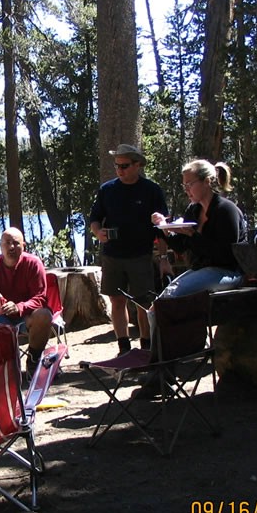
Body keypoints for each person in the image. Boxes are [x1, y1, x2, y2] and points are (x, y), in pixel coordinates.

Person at [89, 143, 169, 355]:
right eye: (117, 166)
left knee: (143, 302)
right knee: (116, 301)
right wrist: (99, 233)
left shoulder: (151, 190)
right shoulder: (107, 190)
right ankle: (123, 347)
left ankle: (146, 346)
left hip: (141, 255)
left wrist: (163, 258)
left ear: (137, 165)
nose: (119, 170)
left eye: (124, 166)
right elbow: (94, 219)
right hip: (113, 255)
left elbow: (162, 228)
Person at [151, 159, 247, 298]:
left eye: (190, 184)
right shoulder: (193, 210)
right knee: (164, 297)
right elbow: (180, 246)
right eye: (184, 185)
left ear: (207, 181)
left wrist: (193, 235)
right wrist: (163, 228)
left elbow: (226, 255)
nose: (187, 190)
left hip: (229, 272)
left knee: (173, 295)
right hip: (202, 270)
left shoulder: (226, 210)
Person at [0, 227, 53, 377]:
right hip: (0, 318)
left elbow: (40, 298)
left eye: (16, 243)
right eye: (7, 243)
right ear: (0, 246)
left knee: (44, 315)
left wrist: (19, 307)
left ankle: (33, 361)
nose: (11, 247)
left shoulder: (33, 263)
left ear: (23, 246)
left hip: (27, 316)